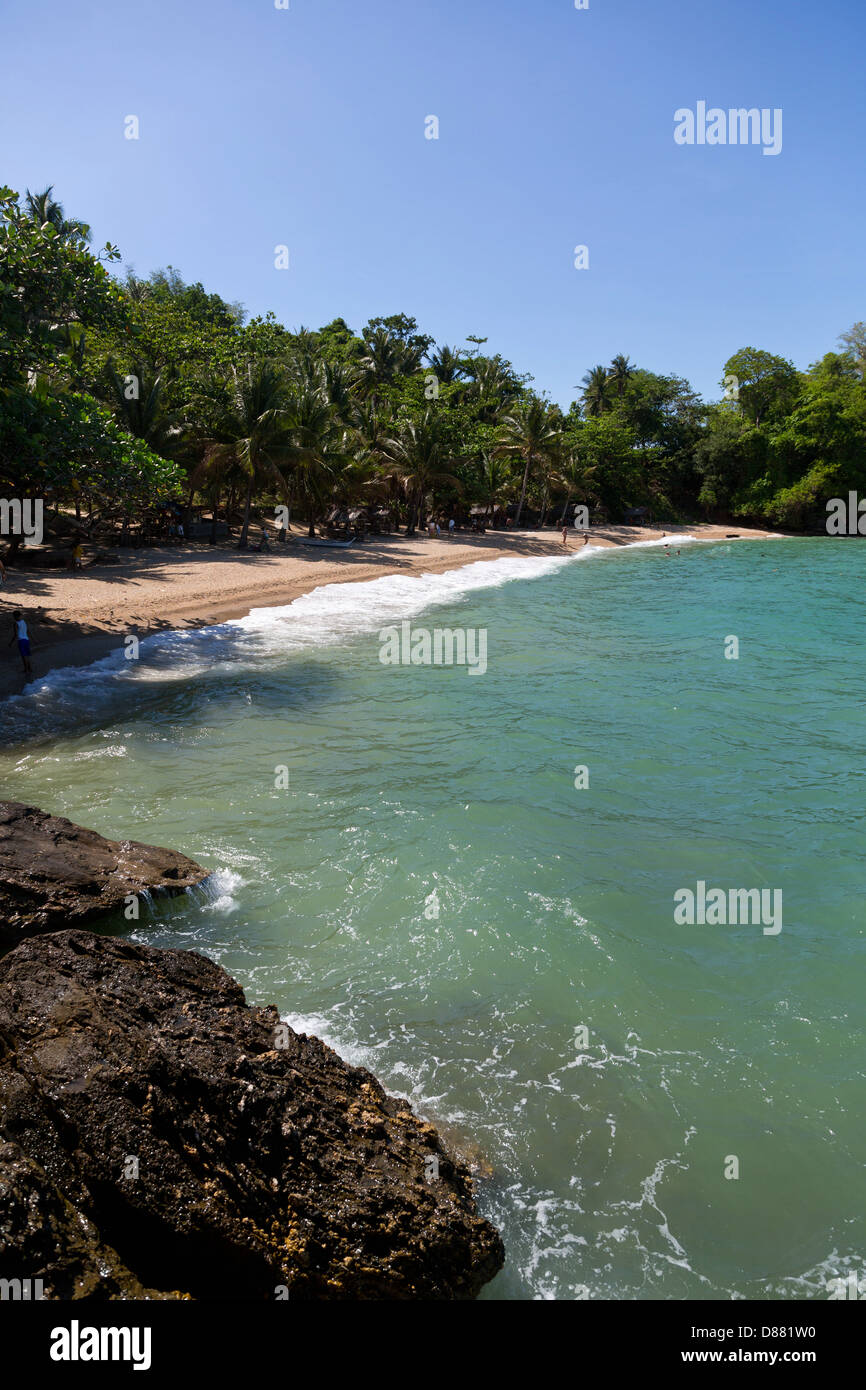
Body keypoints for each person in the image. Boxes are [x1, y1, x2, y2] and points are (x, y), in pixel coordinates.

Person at [9, 611, 32, 675]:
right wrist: (34, 639)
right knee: (27, 655)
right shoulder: (24, 622)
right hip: (27, 640)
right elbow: (28, 631)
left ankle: (26, 670)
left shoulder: (16, 624)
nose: (14, 617)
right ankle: (30, 668)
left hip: (21, 641)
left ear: (15, 616)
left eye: (14, 616)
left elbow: (15, 635)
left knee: (23, 656)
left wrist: (11, 642)